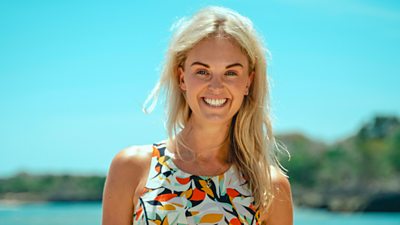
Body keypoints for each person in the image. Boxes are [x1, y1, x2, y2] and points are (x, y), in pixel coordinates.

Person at [102, 6, 293, 225]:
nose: (216, 86)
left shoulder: (270, 186)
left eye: (231, 73)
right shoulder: (131, 167)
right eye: (202, 71)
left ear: (248, 82)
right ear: (182, 78)